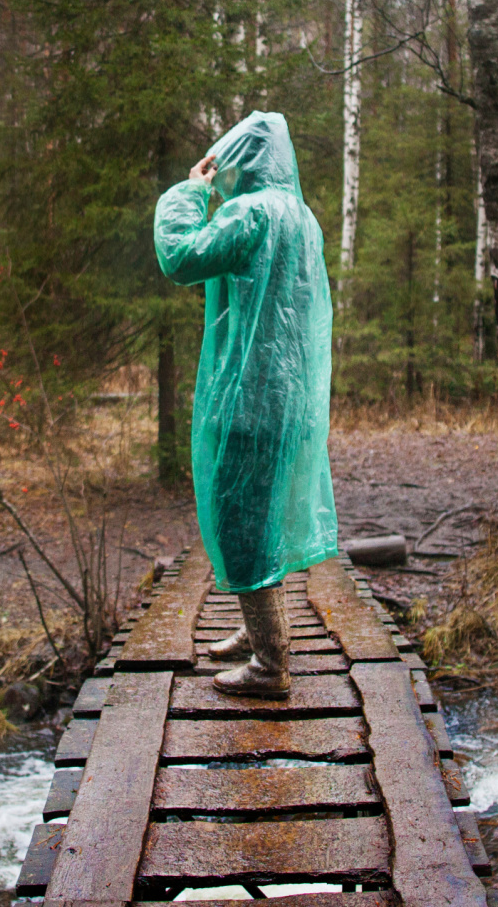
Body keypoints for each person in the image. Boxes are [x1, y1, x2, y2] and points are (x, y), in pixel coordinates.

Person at [154, 111, 338, 698]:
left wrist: (191, 191)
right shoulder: (302, 218)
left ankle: (270, 664)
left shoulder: (252, 213)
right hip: (290, 402)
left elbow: (180, 256)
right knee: (265, 519)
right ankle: (256, 628)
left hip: (250, 398)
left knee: (242, 525)